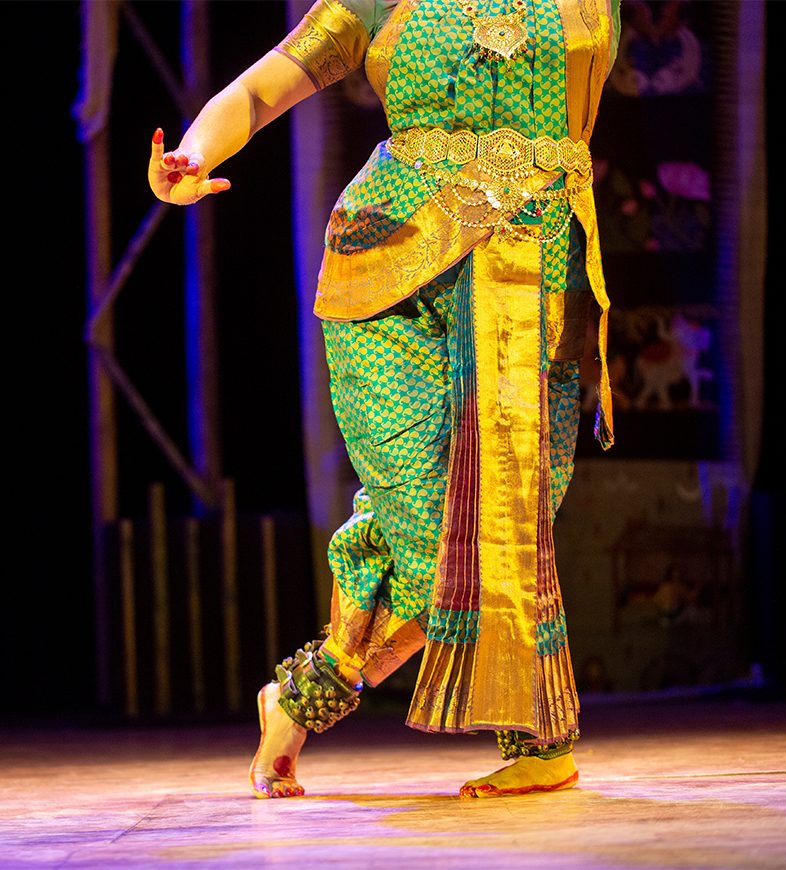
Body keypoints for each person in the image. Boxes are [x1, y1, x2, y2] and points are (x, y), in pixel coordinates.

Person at [149, 0, 621, 799]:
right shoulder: (378, 2)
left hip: (536, 279)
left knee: (503, 520)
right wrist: (191, 158)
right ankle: (540, 738)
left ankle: (301, 699)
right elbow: (261, 92)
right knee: (441, 526)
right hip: (387, 278)